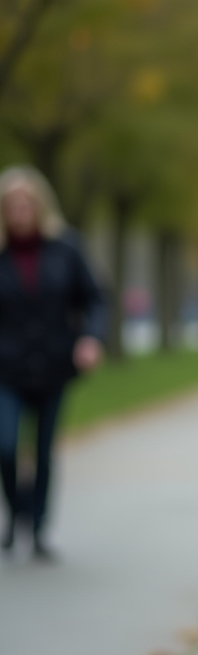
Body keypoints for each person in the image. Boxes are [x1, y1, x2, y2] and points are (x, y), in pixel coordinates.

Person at [0, 166, 103, 560]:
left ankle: (39, 530)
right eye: (12, 205)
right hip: (6, 367)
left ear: (40, 206)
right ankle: (17, 512)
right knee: (6, 446)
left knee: (43, 451)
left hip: (53, 363)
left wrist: (91, 339)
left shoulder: (66, 248)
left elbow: (94, 297)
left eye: (26, 204)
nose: (20, 212)